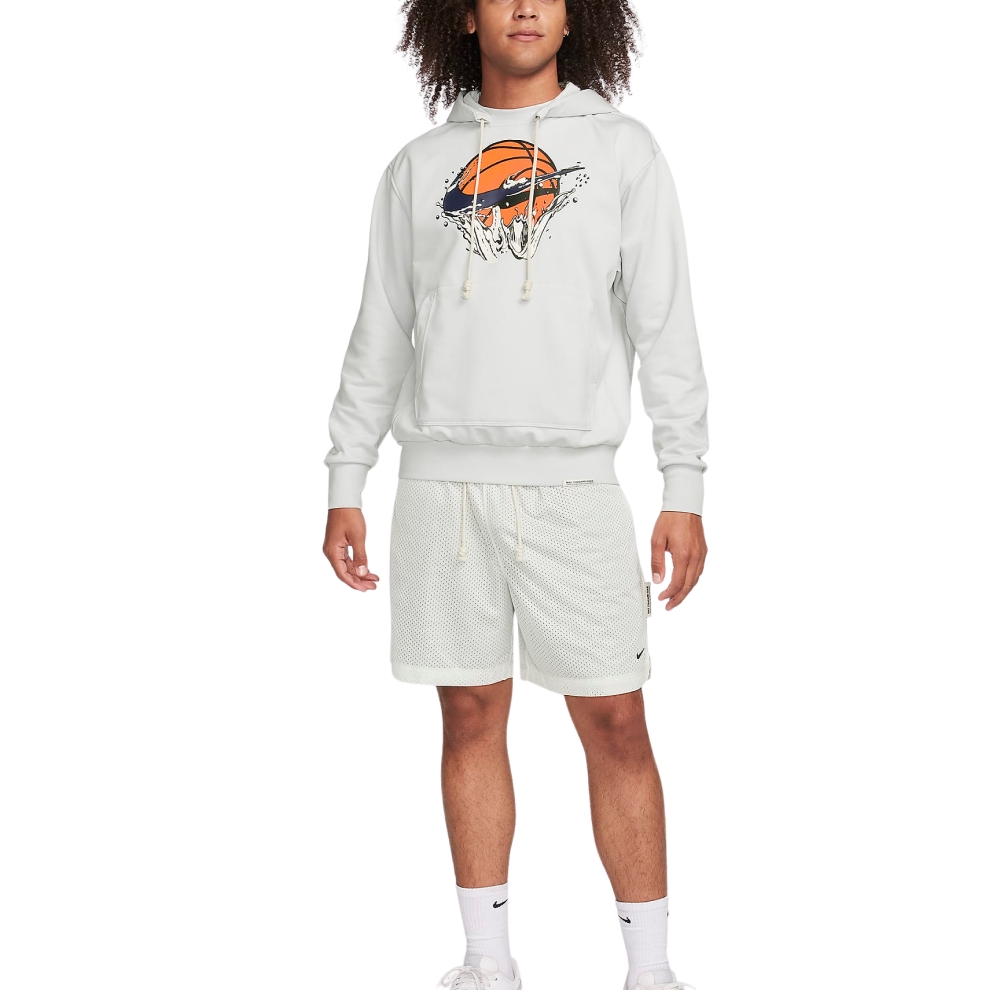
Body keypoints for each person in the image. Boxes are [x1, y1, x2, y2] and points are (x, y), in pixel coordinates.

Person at [322, 2, 708, 988]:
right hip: (440, 492)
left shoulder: (621, 153)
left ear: (578, 17)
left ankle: (650, 969)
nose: (526, 5)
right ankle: (486, 961)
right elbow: (380, 330)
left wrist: (684, 482)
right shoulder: (418, 168)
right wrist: (346, 477)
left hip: (573, 488)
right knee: (467, 716)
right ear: (463, 16)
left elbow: (664, 324)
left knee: (615, 722)